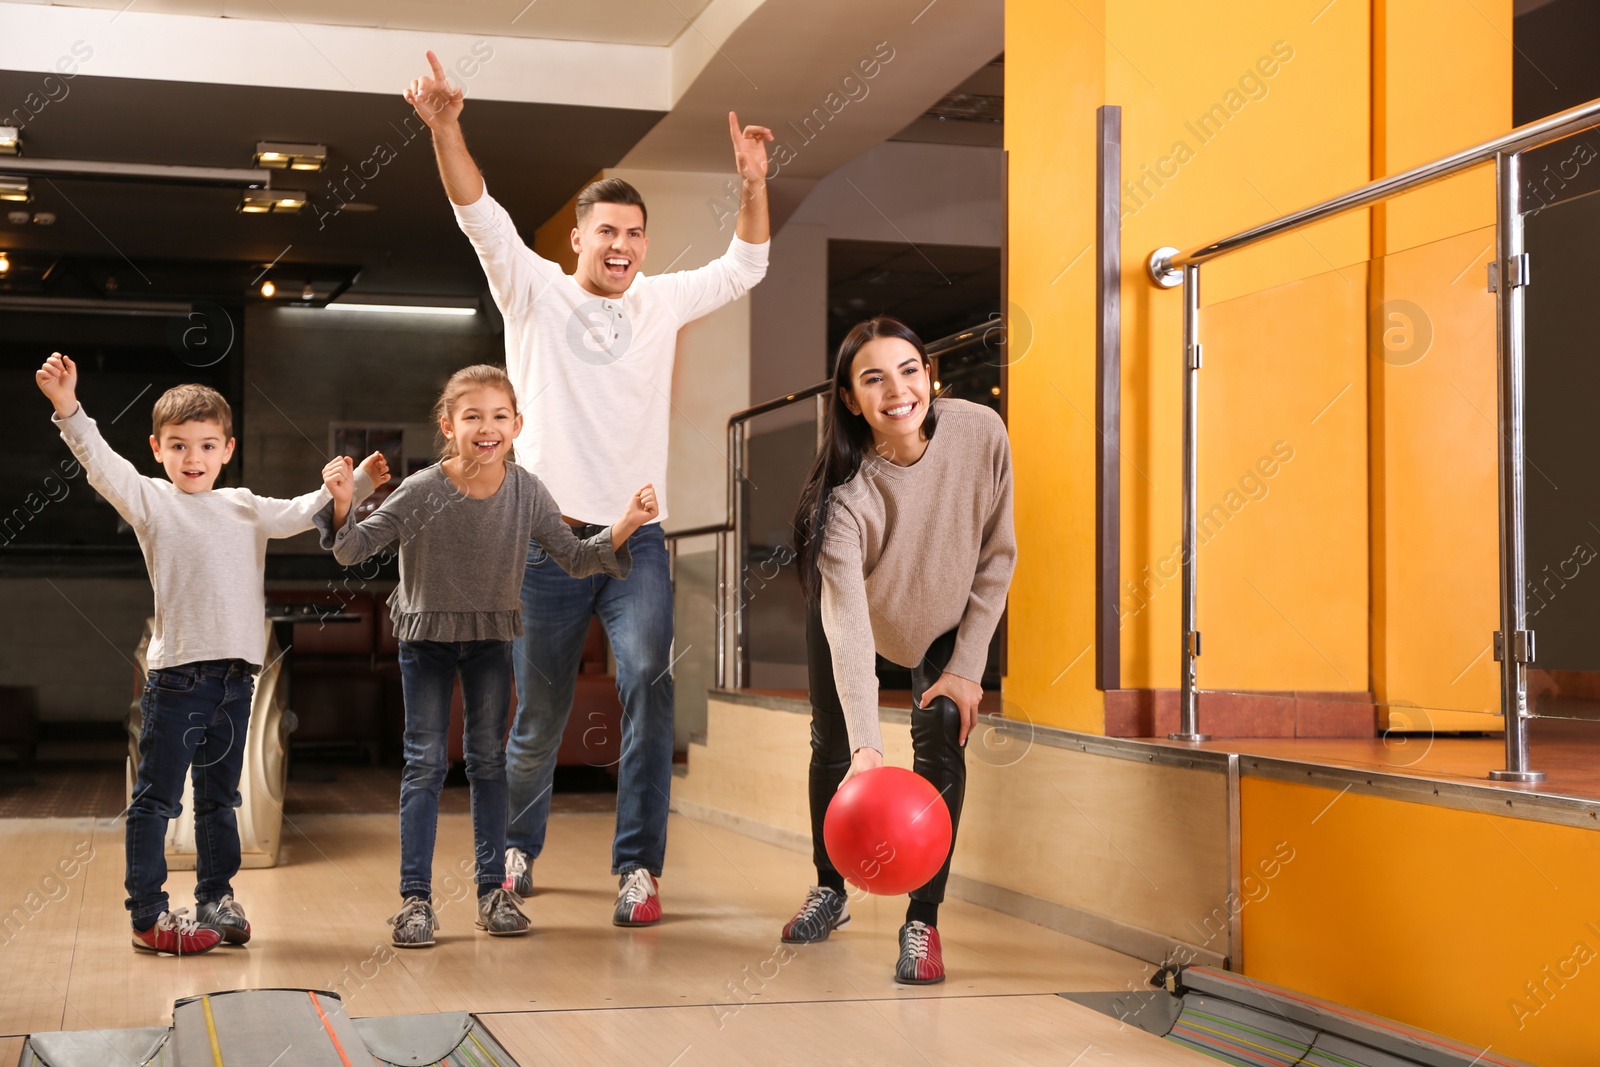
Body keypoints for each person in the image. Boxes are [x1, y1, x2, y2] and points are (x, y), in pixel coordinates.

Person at [404, 50, 772, 925]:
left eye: (635, 234)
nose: (621, 247)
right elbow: (477, 213)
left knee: (648, 679)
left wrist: (753, 184)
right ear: (576, 236)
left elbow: (746, 266)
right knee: (540, 714)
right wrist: (447, 129)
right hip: (542, 543)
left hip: (633, 541)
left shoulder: (664, 302)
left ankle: (637, 868)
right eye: (606, 231)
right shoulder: (530, 292)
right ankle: (518, 849)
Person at [34, 352, 386, 956]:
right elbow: (100, 466)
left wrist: (357, 486)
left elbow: (305, 512)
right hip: (177, 679)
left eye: (204, 445)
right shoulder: (150, 502)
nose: (191, 458)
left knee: (221, 797)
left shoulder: (245, 505)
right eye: (178, 446)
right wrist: (68, 406)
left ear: (226, 449)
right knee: (158, 799)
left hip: (236, 679)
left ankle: (215, 900)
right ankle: (148, 914)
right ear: (156, 449)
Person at [319, 364, 658, 947]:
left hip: (490, 641)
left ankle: (491, 893)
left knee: (488, 763)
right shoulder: (422, 488)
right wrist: (347, 500)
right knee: (424, 764)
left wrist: (626, 523)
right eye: (472, 416)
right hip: (425, 639)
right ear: (448, 426)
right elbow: (352, 549)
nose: (487, 426)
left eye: (500, 416)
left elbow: (576, 559)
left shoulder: (527, 491)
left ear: (518, 425)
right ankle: (415, 901)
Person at [783, 317, 1016, 984]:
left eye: (909, 369)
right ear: (852, 399)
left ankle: (923, 920)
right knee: (832, 744)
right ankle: (832, 887)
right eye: (874, 378)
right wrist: (866, 745)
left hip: (944, 613)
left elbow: (998, 555)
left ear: (929, 375)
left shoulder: (980, 432)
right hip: (853, 611)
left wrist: (968, 666)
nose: (898, 390)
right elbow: (852, 628)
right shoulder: (842, 502)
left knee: (944, 730)